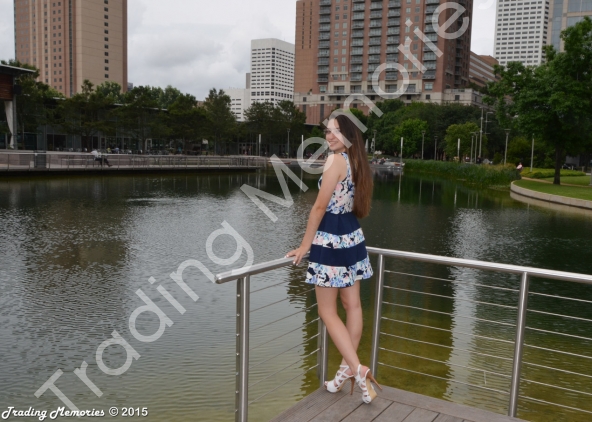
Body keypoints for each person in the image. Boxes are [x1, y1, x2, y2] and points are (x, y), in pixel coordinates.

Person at [286, 115, 380, 404]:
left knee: (327, 311)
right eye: (327, 131)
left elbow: (319, 207)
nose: (329, 136)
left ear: (348, 134)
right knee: (352, 305)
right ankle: (343, 373)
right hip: (351, 234)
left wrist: (304, 246)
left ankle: (357, 369)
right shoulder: (356, 161)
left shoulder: (335, 160)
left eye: (335, 131)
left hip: (330, 238)